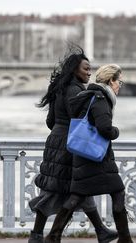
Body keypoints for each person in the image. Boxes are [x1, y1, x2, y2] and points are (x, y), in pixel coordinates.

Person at [29, 46, 118, 243]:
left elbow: (50, 121)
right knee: (56, 190)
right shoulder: (76, 90)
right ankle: (37, 236)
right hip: (70, 145)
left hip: (56, 140)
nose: (89, 73)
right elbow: (81, 120)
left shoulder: (59, 88)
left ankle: (101, 231)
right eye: (86, 69)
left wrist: (60, 129)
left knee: (77, 188)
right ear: (74, 70)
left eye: (90, 69)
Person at [44, 64, 133, 243]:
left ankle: (53, 236)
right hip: (97, 156)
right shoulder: (101, 98)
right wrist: (116, 132)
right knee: (118, 192)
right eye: (119, 82)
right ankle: (125, 239)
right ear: (111, 80)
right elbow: (104, 128)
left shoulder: (88, 96)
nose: (119, 86)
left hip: (83, 154)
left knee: (77, 195)